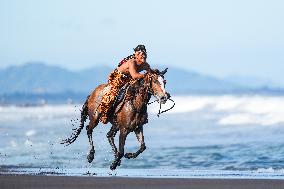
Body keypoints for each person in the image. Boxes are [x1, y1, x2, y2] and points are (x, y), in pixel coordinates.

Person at [99, 45, 151, 124]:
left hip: (129, 78)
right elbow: (134, 75)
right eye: (141, 54)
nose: (144, 56)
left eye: (145, 54)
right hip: (118, 77)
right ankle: (104, 113)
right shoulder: (131, 62)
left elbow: (150, 73)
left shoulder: (145, 65)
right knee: (113, 94)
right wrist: (145, 75)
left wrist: (157, 74)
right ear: (137, 54)